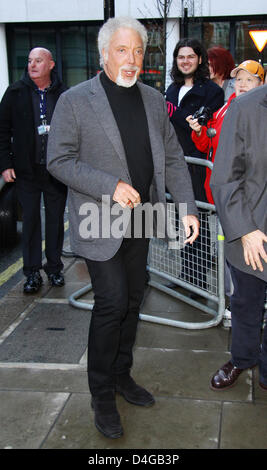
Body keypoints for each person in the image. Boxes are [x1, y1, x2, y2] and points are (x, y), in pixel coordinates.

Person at [47, 17, 199, 439]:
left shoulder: (153, 100)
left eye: (137, 51)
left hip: (143, 218)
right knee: (112, 301)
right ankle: (100, 393)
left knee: (133, 297)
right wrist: (109, 186)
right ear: (103, 54)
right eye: (122, 50)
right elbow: (57, 161)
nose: (131, 60)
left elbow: (172, 158)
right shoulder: (75, 101)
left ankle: (121, 375)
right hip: (98, 221)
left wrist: (186, 209)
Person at [209, 82, 267, 392]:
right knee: (246, 304)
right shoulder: (244, 107)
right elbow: (224, 177)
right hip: (251, 232)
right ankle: (243, 359)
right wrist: (245, 230)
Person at [0, 47, 67, 294]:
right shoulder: (15, 92)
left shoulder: (64, 94)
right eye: (29, 61)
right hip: (25, 171)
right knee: (30, 222)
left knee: (55, 221)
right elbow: (2, 130)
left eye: (38, 61)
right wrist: (5, 164)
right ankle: (31, 274)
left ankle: (55, 269)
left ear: (50, 64)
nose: (32, 65)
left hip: (56, 171)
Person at [186, 60, 265, 204]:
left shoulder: (261, 113)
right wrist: (198, 131)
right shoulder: (224, 109)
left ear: (261, 85)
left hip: (245, 199)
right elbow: (206, 143)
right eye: (239, 79)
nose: (242, 84)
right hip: (220, 194)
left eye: (249, 79)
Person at [165, 38, 224, 203]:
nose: (185, 61)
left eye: (190, 56)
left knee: (199, 219)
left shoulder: (213, 92)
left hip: (196, 166)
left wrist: (173, 111)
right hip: (173, 163)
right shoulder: (172, 89)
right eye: (181, 57)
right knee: (178, 217)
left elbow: (200, 127)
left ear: (199, 59)